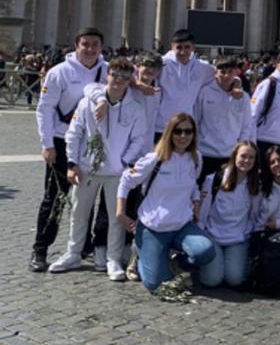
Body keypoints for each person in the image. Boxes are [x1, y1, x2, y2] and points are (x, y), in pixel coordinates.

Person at [49, 58, 146, 281]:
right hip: (86, 168)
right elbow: (74, 133)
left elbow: (138, 139)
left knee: (115, 217)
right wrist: (72, 163)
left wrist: (124, 162)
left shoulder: (135, 108)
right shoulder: (87, 103)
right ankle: (73, 253)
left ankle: (112, 258)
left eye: (124, 77)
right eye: (115, 75)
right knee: (78, 212)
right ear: (107, 76)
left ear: (129, 79)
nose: (118, 81)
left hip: (116, 171)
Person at [31, 27, 108, 272]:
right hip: (62, 140)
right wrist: (47, 145)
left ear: (101, 47)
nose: (90, 49)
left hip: (93, 143)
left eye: (95, 44)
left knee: (87, 196)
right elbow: (44, 109)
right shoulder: (59, 72)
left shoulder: (107, 71)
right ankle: (40, 249)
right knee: (54, 199)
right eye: (85, 44)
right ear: (77, 45)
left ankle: (83, 245)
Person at [116, 113, 216, 292]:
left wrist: (196, 200)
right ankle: (140, 253)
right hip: (153, 227)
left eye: (188, 131)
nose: (183, 136)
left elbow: (192, 184)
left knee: (206, 252)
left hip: (182, 226)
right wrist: (120, 213)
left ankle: (175, 262)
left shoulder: (196, 158)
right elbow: (126, 180)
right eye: (178, 131)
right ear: (170, 133)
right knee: (157, 285)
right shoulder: (155, 159)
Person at [197, 140, 263, 288]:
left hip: (238, 238)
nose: (246, 161)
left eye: (251, 157)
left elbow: (254, 214)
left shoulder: (255, 184)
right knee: (212, 280)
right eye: (243, 156)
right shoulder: (214, 179)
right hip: (213, 235)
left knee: (235, 279)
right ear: (234, 156)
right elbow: (203, 212)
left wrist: (249, 233)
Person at [194, 57, 256, 187]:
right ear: (215, 72)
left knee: (225, 195)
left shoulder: (243, 97)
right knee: (201, 194)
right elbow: (196, 121)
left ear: (236, 73)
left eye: (230, 71)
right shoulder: (204, 92)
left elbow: (246, 126)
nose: (226, 75)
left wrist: (239, 150)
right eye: (222, 72)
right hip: (205, 153)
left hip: (230, 155)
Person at [154, 29, 215, 143]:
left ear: (193, 47)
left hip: (185, 128)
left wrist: (237, 81)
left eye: (187, 47)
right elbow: (137, 73)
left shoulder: (202, 67)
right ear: (172, 46)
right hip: (161, 126)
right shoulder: (161, 63)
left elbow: (222, 76)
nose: (183, 52)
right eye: (179, 47)